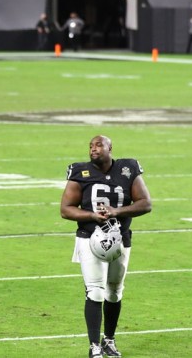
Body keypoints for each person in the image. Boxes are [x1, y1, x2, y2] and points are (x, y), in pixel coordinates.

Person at [60, 135, 152, 358]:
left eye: (99, 145)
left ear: (111, 148)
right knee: (95, 290)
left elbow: (146, 203)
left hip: (120, 238)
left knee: (114, 292)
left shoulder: (128, 169)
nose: (93, 149)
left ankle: (109, 340)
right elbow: (65, 209)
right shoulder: (80, 172)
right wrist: (92, 215)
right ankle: (94, 347)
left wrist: (116, 212)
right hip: (89, 238)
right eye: (90, 146)